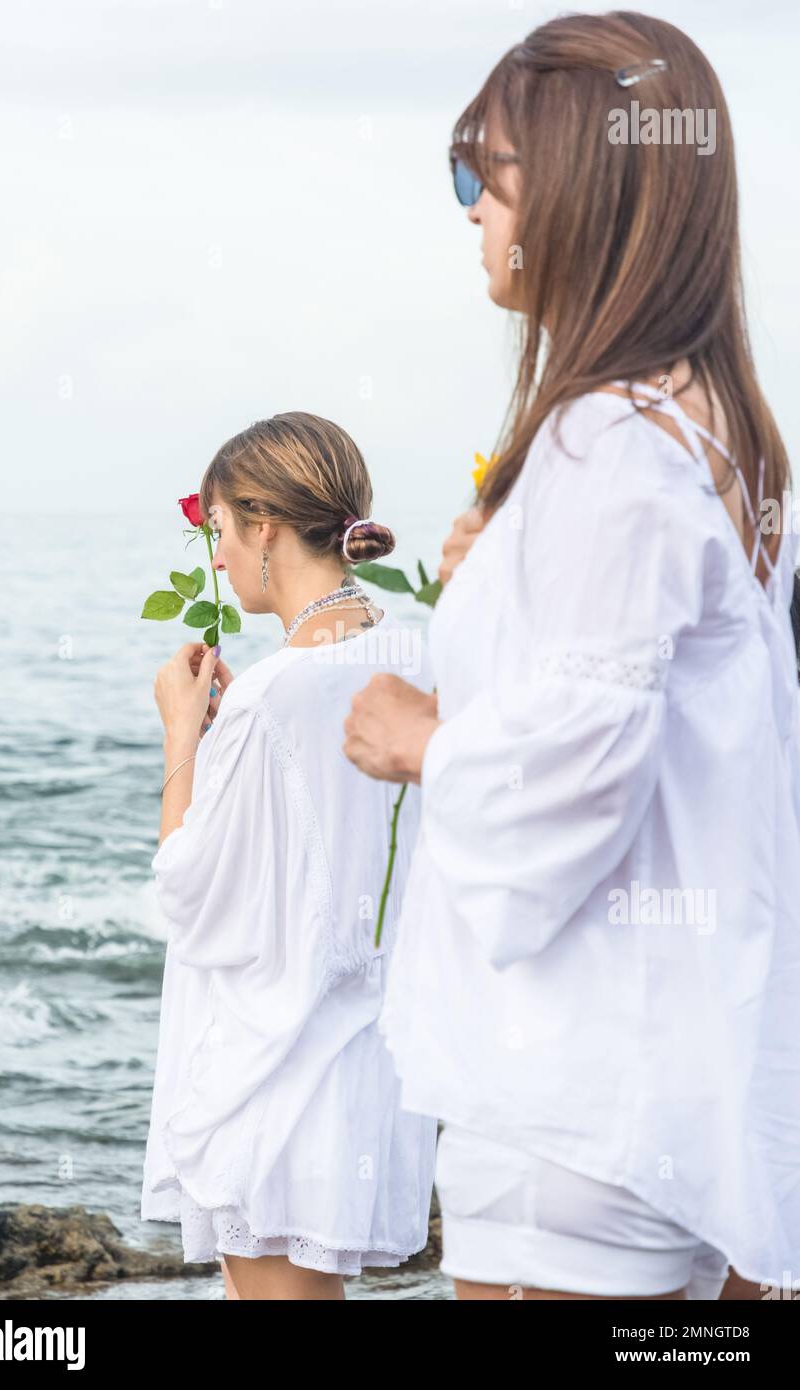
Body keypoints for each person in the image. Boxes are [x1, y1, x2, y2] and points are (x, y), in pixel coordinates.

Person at [343, 11, 800, 1301]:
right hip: (670, 1075)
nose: (469, 209)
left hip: (574, 1099)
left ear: (580, 184)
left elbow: (577, 772)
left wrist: (414, 738)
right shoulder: (716, 436)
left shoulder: (606, 439)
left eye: (477, 168)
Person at [141, 411, 437, 1300]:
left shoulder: (271, 698)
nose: (220, 555)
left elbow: (189, 888)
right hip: (370, 1054)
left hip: (274, 1069)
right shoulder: (423, 655)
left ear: (264, 527)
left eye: (221, 529)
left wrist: (181, 736)